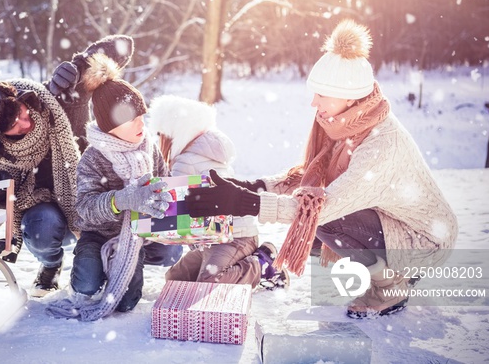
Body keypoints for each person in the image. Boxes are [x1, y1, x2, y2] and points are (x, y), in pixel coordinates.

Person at [187, 19, 458, 318]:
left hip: (423, 239)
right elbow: (306, 175)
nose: (314, 103)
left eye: (322, 94)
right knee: (316, 212)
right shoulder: (349, 122)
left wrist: (244, 203)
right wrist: (252, 187)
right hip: (392, 218)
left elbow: (320, 206)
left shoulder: (380, 145)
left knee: (322, 218)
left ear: (351, 96)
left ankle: (391, 286)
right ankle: (389, 266)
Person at [0, 35, 134, 297]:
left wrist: (78, 66)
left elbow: (122, 46)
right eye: (12, 127)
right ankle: (51, 264)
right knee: (42, 227)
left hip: (88, 199)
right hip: (44, 215)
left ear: (17, 97)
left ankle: (96, 254)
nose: (24, 123)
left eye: (21, 112)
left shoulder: (51, 98)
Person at [50, 52, 172, 320]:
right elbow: (84, 208)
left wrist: (166, 202)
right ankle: (87, 269)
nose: (142, 123)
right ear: (110, 127)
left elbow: (165, 179)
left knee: (127, 302)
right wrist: (122, 200)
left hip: (134, 232)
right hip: (96, 232)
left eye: (143, 115)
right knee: (87, 285)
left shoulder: (147, 146)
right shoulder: (93, 158)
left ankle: (125, 265)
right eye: (133, 119)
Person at [148, 95, 287, 289]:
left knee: (211, 282)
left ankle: (263, 264)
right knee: (175, 279)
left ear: (172, 133)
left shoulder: (187, 160)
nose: (159, 140)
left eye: (160, 134)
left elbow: (175, 209)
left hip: (236, 237)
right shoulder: (203, 150)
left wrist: (149, 224)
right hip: (215, 236)